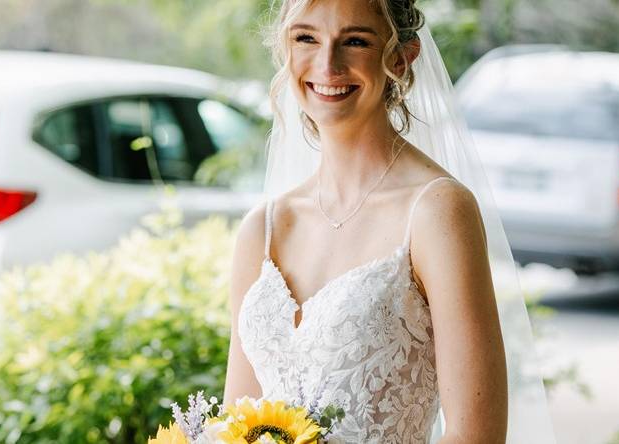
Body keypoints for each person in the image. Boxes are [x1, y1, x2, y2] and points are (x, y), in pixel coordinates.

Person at [223, 0, 554, 442]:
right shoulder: (261, 230)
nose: (327, 64)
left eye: (355, 41)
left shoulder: (436, 211)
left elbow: (476, 436)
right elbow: (235, 422)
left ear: (401, 58)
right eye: (306, 38)